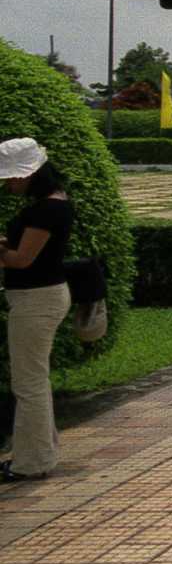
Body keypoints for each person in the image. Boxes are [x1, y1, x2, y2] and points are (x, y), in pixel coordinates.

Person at [1, 138, 73, 483]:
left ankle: (30, 462)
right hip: (44, 295)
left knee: (28, 383)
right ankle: (38, 453)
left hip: (35, 299)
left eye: (13, 177)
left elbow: (21, 260)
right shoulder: (57, 203)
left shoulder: (44, 210)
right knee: (34, 381)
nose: (9, 183)